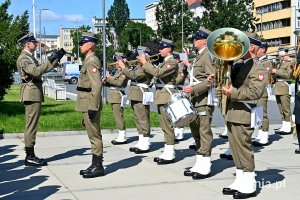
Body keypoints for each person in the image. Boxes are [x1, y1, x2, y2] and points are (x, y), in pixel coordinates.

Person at [221, 32, 265, 199]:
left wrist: (234, 92)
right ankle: (240, 179)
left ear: (251, 47)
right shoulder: (239, 64)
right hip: (233, 111)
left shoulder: (257, 67)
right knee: (235, 148)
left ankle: (250, 183)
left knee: (243, 148)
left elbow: (255, 91)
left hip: (244, 112)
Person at [16, 32, 65, 167]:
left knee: (33, 124)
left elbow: (41, 69)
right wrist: (50, 59)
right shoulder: (24, 58)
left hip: (34, 93)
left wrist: (56, 58)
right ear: (27, 44)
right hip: (30, 93)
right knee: (31, 125)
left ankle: (30, 154)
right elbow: (37, 72)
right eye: (34, 42)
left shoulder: (30, 57)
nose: (36, 44)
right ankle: (30, 156)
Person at [182, 27, 215, 180]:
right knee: (196, 132)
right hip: (195, 99)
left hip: (204, 99)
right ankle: (199, 161)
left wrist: (193, 89)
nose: (194, 41)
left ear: (205, 41)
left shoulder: (207, 55)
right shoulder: (198, 57)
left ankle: (206, 164)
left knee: (204, 132)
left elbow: (211, 80)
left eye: (197, 38)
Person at [138, 39, 179, 164]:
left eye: (162, 48)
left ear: (169, 49)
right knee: (164, 124)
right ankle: (167, 150)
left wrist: (145, 63)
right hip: (161, 96)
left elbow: (158, 73)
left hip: (167, 95)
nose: (160, 50)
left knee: (167, 125)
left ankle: (170, 151)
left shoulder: (171, 62)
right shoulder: (164, 62)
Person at [76, 32, 104, 178]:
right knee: (92, 134)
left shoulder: (92, 61)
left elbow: (97, 85)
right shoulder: (88, 59)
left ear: (91, 44)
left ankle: (98, 166)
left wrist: (93, 107)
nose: (80, 45)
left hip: (89, 103)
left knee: (94, 135)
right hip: (86, 102)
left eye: (83, 42)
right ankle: (95, 164)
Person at [118, 46, 153, 154]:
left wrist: (124, 67)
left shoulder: (146, 66)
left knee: (142, 117)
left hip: (141, 93)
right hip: (135, 93)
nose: (137, 56)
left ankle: (146, 142)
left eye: (140, 54)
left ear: (145, 55)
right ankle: (141, 140)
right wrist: (126, 66)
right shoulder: (139, 65)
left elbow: (133, 76)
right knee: (137, 118)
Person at [104, 52, 128, 145]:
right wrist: (105, 81)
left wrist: (109, 78)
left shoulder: (124, 71)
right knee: (116, 115)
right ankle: (120, 134)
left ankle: (122, 136)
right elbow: (112, 82)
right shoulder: (117, 71)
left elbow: (119, 83)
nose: (116, 62)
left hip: (118, 94)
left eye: (117, 60)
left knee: (119, 116)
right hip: (114, 94)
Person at [252, 40, 271, 146]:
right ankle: (260, 133)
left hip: (262, 91)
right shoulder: (257, 61)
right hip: (256, 91)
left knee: (263, 114)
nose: (256, 50)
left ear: (263, 50)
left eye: (258, 48)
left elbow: (263, 76)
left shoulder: (266, 62)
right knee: (257, 114)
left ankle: (265, 136)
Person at [273, 48, 293, 135]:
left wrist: (276, 71)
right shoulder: (280, 63)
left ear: (286, 53)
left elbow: (289, 75)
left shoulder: (290, 63)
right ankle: (284, 126)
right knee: (281, 108)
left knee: (286, 108)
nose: (279, 55)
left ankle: (288, 127)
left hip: (284, 87)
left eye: (281, 53)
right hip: (278, 87)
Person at [173, 51, 188, 142]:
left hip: (177, 91)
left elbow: (179, 80)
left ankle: (180, 132)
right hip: (172, 91)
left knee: (179, 113)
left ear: (177, 60)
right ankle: (176, 131)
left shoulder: (180, 68)